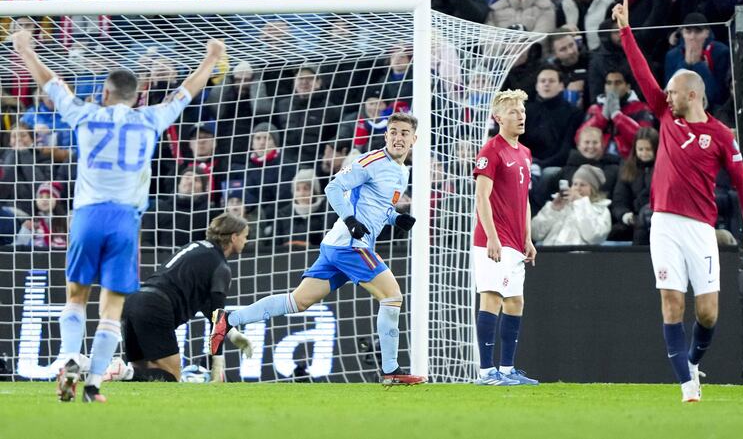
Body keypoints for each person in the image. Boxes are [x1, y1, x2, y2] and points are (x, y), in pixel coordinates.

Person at [11, 28, 225, 403]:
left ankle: (69, 359)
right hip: (125, 220)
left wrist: (25, 49)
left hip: (88, 216)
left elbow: (51, 84)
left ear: (105, 94)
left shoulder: (86, 113)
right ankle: (94, 384)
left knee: (76, 297)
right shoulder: (151, 118)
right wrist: (210, 59)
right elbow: (185, 92)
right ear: (138, 96)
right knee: (112, 307)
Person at [613, 0, 743, 402]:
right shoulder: (665, 116)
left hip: (700, 229)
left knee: (708, 312)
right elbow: (641, 73)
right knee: (672, 302)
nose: (666, 95)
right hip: (663, 223)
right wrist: (625, 30)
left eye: (673, 91)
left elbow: (742, 182)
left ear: (692, 95)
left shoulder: (720, 135)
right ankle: (686, 385)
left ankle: (693, 361)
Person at [209, 112, 427, 386]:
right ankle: (391, 370)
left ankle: (229, 319)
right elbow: (333, 187)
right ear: (386, 135)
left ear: (414, 139)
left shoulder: (402, 171)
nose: (398, 137)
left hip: (338, 245)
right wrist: (350, 220)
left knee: (297, 301)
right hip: (349, 244)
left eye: (404, 133)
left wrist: (396, 218)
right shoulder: (370, 161)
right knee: (392, 297)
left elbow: (378, 205)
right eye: (393, 132)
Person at [108, 213, 253, 383]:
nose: (246, 241)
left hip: (133, 302)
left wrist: (232, 333)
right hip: (155, 307)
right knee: (172, 377)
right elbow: (217, 319)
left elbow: (208, 308)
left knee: (142, 373)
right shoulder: (221, 267)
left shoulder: (195, 247)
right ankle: (123, 372)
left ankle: (123, 372)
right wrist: (217, 364)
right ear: (234, 237)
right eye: (245, 236)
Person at [472, 89, 538, 386]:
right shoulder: (491, 150)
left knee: (514, 302)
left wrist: (528, 237)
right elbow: (481, 197)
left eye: (522, 111)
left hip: (515, 240)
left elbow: (524, 199)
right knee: (492, 297)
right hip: (493, 239)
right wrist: (492, 237)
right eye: (513, 112)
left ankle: (508, 369)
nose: (521, 116)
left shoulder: (524, 153)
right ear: (498, 118)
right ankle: (487, 372)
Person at [531, 164, 612, 246]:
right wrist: (553, 209)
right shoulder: (560, 204)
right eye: (575, 184)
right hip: (550, 252)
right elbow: (535, 234)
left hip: (580, 253)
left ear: (593, 189)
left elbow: (594, 237)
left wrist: (581, 202)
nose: (577, 188)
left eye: (582, 185)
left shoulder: (601, 210)